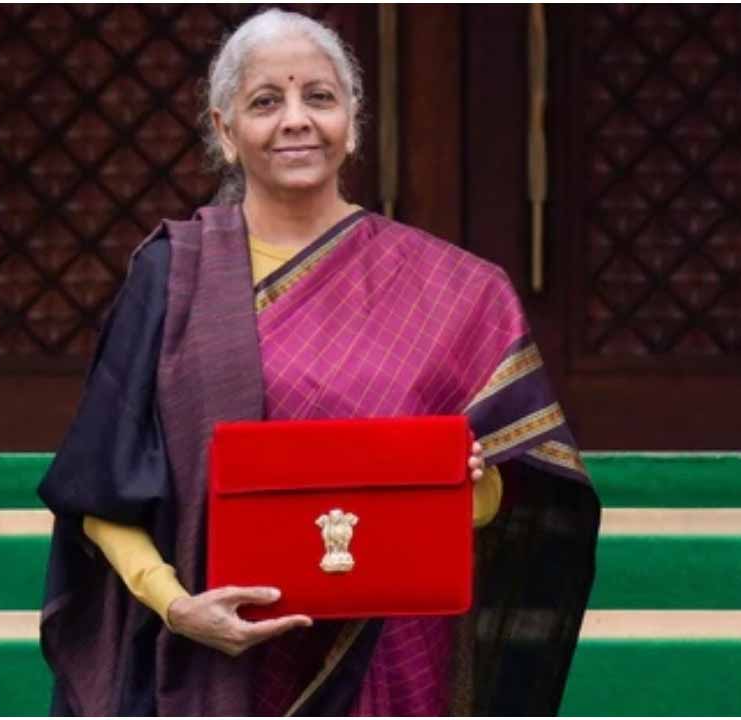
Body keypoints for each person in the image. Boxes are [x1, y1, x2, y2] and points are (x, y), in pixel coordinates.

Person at [38, 8, 600, 716]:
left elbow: (508, 496)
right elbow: (99, 486)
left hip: (392, 656)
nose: (296, 120)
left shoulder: (456, 293)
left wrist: (469, 484)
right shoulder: (173, 275)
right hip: (218, 661)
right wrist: (177, 606)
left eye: (320, 97)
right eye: (265, 102)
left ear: (353, 122)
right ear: (224, 131)